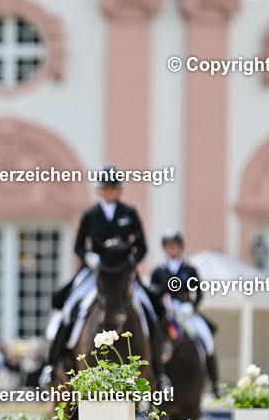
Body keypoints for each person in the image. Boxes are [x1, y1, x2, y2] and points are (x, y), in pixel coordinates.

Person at [46, 167, 162, 378]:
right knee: (70, 308)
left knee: (148, 310)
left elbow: (143, 246)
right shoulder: (90, 215)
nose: (109, 191)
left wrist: (131, 261)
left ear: (119, 190)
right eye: (105, 188)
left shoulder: (129, 213)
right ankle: (52, 366)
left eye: (113, 188)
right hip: (96, 272)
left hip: (124, 274)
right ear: (99, 190)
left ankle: (159, 372)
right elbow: (78, 246)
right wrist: (89, 257)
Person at [149, 229, 221, 396]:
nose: (172, 249)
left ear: (180, 247)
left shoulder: (189, 269)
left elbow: (199, 293)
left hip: (186, 311)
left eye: (174, 246)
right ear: (165, 249)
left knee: (207, 339)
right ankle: (151, 380)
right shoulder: (158, 271)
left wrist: (192, 306)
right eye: (168, 246)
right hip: (165, 313)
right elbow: (153, 293)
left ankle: (215, 383)